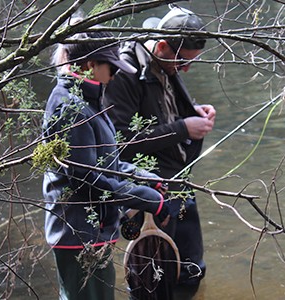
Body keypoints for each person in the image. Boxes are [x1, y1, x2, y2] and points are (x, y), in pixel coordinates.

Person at [42, 21, 169, 300]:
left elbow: (106, 165)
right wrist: (149, 200)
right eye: (110, 67)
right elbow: (88, 179)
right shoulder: (70, 108)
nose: (113, 76)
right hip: (77, 236)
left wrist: (149, 181)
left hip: (95, 233)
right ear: (89, 64)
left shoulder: (90, 102)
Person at [104, 5, 216, 299]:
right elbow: (120, 142)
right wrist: (183, 128)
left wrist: (195, 114)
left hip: (179, 184)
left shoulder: (165, 62)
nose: (186, 69)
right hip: (148, 190)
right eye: (182, 63)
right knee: (150, 280)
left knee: (191, 269)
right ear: (163, 45)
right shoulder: (125, 73)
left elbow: (169, 113)